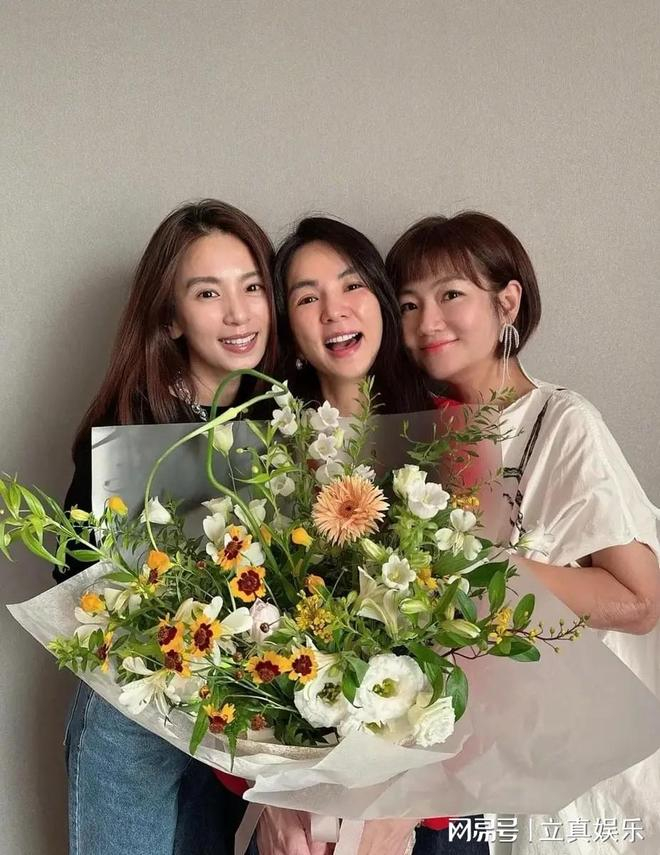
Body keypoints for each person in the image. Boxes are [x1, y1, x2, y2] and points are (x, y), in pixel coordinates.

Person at [386, 210, 660, 855]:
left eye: (451, 295)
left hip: (563, 753)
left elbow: (639, 600)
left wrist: (475, 569)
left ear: (506, 302)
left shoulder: (562, 421)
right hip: (469, 752)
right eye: (408, 304)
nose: (427, 323)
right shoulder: (417, 435)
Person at [217, 217, 482, 855]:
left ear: (383, 301)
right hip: (295, 811)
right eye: (307, 297)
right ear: (289, 329)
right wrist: (273, 795)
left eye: (352, 285)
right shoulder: (262, 452)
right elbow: (226, 646)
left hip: (430, 810)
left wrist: (405, 808)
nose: (334, 310)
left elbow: (485, 645)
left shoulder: (457, 434)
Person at [60, 198, 279, 855]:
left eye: (252, 287)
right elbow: (71, 572)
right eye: (208, 293)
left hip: (240, 718)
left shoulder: (282, 420)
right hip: (133, 717)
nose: (238, 313)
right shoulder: (131, 426)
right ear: (171, 317)